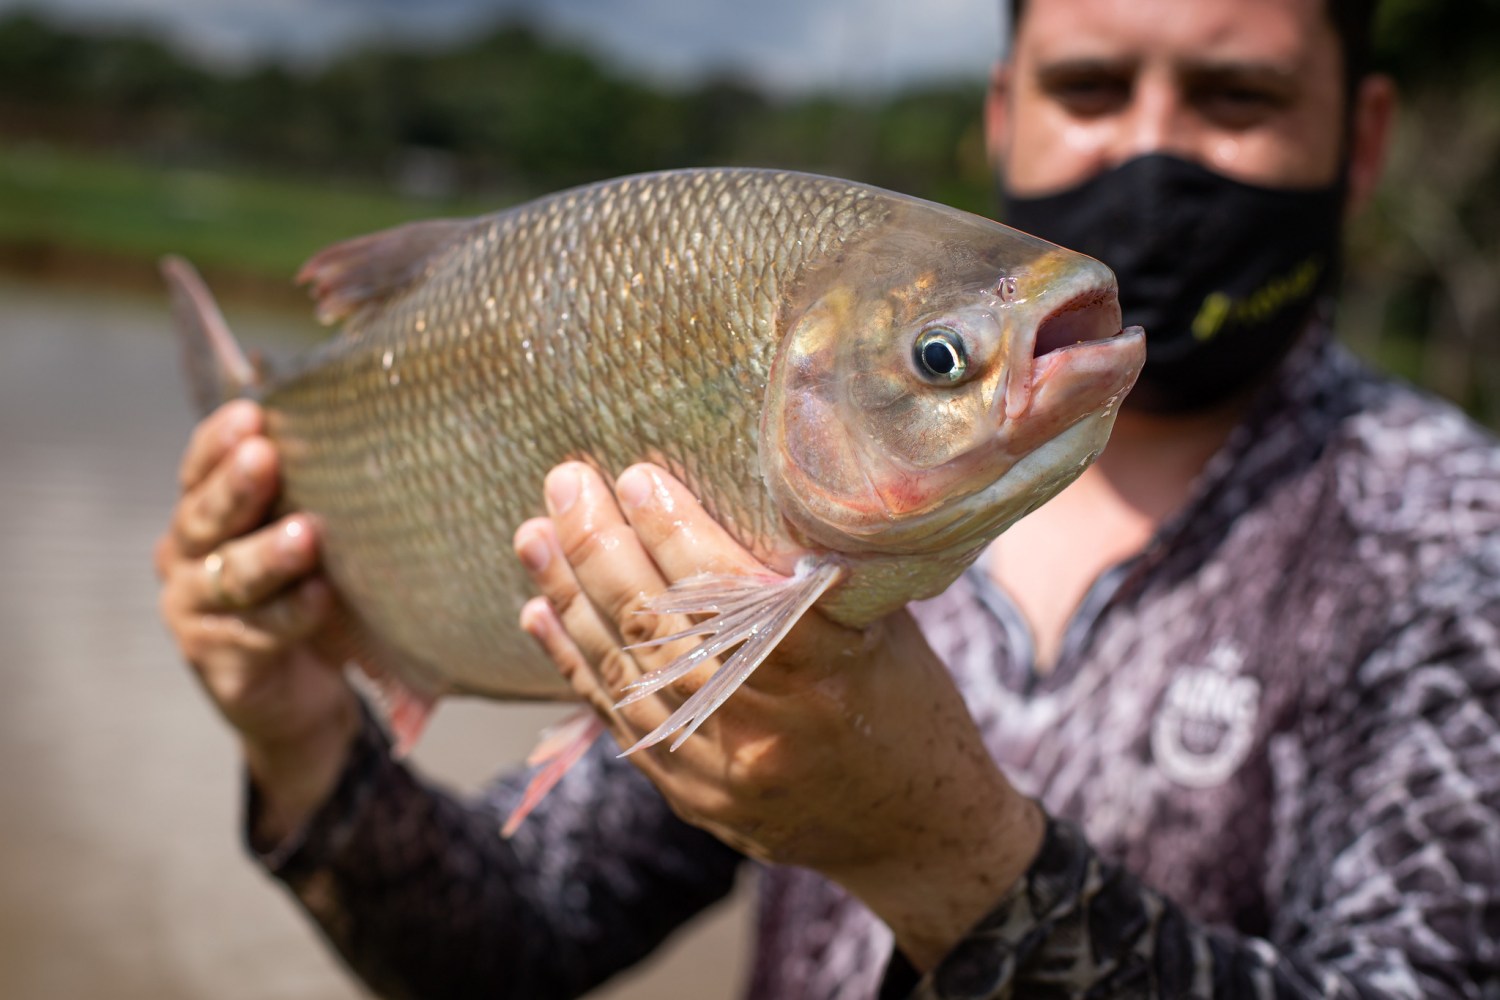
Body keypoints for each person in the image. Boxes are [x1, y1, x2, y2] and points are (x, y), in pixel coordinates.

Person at [155, 0, 1500, 996]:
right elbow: (513, 938)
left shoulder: (1451, 549)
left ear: (1363, 135)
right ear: (1002, 112)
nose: (1152, 147)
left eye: (1235, 98)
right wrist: (300, 744)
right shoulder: (792, 529)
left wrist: (949, 856)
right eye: (1091, 86)